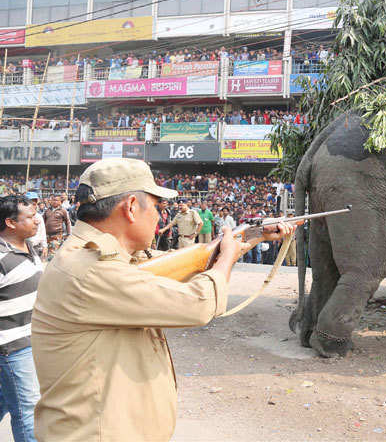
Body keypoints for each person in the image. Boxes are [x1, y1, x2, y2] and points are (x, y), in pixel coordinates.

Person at [30, 158, 294, 441]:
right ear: (131, 207)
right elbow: (198, 304)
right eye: (157, 207)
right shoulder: (91, 267)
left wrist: (249, 237)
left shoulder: (100, 256)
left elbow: (186, 261)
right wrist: (227, 256)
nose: (159, 216)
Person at [0, 195, 43, 442]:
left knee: (6, 400)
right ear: (11, 222)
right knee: (28, 410)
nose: (37, 221)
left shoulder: (29, 248)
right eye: (29, 217)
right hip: (12, 347)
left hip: (29, 340)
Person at [25, 192, 47, 260]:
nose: (33, 205)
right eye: (31, 203)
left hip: (36, 248)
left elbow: (42, 232)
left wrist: (45, 246)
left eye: (35, 203)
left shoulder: (39, 217)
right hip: (24, 248)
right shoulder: (20, 216)